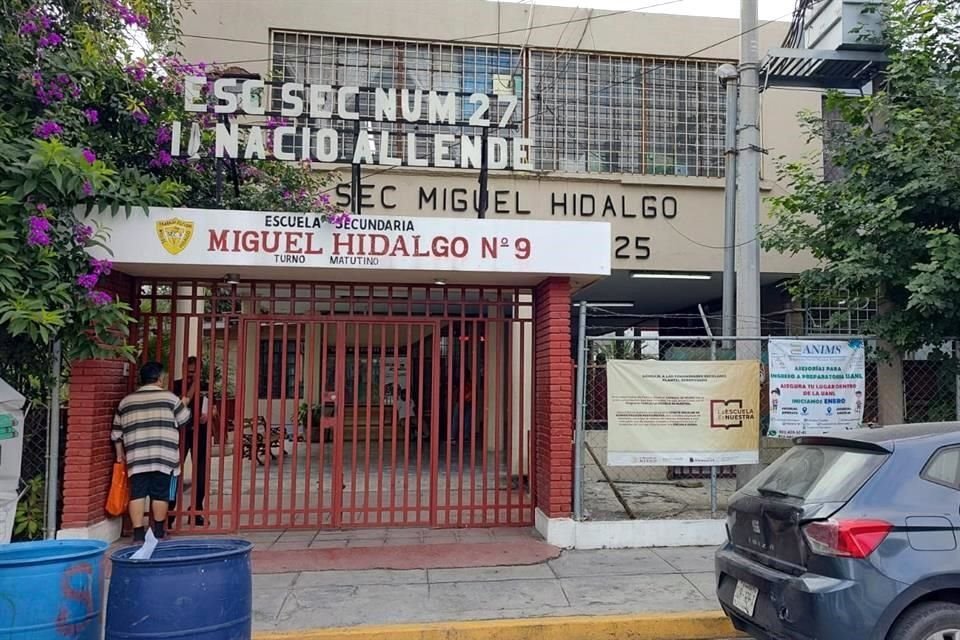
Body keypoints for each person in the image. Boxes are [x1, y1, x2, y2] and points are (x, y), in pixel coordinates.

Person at [112, 361, 190, 542]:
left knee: (137, 494)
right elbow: (184, 420)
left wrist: (119, 454)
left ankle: (138, 534)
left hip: (136, 456)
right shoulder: (170, 398)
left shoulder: (126, 402)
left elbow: (116, 433)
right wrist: (184, 403)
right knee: (160, 494)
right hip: (163, 456)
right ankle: (159, 532)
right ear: (160, 379)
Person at [170, 356, 211, 526]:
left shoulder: (206, 387)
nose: (192, 374)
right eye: (190, 370)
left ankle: (196, 509)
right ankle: (170, 511)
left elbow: (212, 405)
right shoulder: (175, 385)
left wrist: (210, 413)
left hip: (200, 433)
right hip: (180, 432)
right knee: (174, 471)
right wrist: (195, 384)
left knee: (201, 473)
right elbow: (181, 404)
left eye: (196, 371)